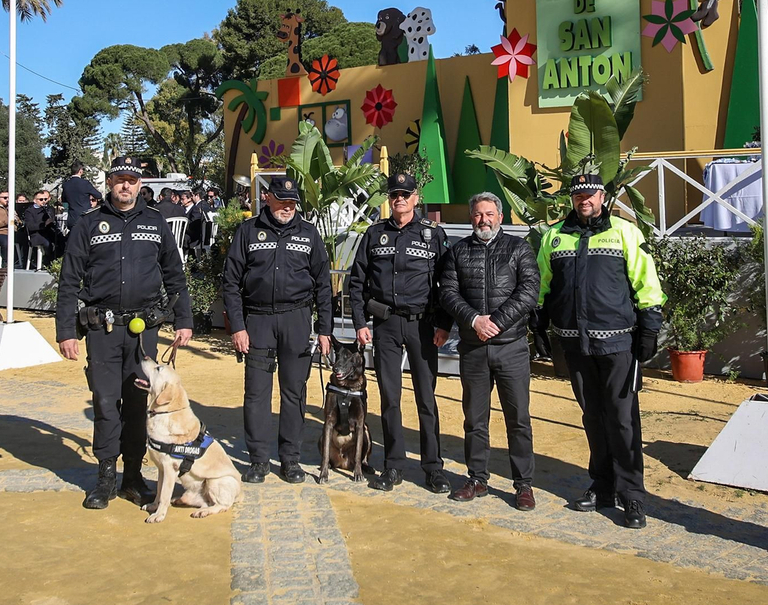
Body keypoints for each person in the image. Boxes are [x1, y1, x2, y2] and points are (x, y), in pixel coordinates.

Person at [56, 155, 194, 509]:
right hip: (102, 329)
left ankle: (132, 476)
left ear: (139, 183)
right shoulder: (89, 224)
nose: (125, 185)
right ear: (109, 182)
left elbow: (174, 275)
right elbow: (69, 279)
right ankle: (105, 476)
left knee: (136, 404)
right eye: (119, 179)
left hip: (142, 330)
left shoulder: (156, 221)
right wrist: (65, 331)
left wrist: (184, 320)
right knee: (104, 402)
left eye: (131, 180)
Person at [536, 173, 664, 529]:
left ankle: (633, 494)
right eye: (578, 195)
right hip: (574, 344)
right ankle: (603, 486)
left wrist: (650, 327)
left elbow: (646, 281)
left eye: (590, 194)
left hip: (618, 343)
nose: (584, 200)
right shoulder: (554, 236)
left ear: (602, 196)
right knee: (593, 416)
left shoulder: (625, 232)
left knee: (622, 420)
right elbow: (543, 284)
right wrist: (538, 324)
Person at [222, 176, 334, 484]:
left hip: (296, 320)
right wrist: (238, 326)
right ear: (268, 198)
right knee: (257, 393)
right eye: (282, 202)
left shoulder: (309, 234)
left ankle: (290, 459)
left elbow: (324, 285)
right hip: (257, 321)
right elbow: (230, 282)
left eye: (292, 203)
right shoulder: (247, 232)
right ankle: (258, 460)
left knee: (294, 392)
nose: (287, 208)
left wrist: (325, 329)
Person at [347, 171, 449, 494]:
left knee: (426, 398)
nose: (399, 199)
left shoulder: (433, 235)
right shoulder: (375, 235)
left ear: (416, 198)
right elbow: (356, 282)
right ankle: (394, 466)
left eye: (405, 194)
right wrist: (360, 322)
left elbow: (448, 284)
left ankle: (433, 467)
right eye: (394, 195)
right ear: (389, 199)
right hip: (385, 325)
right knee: (390, 397)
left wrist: (444, 323)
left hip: (422, 325)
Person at [437, 192, 540, 510]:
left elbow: (529, 290)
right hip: (473, 349)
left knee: (518, 418)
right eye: (478, 214)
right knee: (474, 419)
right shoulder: (458, 252)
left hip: (511, 347)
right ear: (472, 218)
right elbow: (448, 293)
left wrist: (495, 322)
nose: (484, 219)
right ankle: (477, 478)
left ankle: (523, 484)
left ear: (501, 215)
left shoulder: (518, 248)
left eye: (489, 214)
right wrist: (473, 320)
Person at [23, 189, 62, 268]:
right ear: (35, 200)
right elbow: (30, 226)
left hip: (48, 232)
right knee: (47, 243)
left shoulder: (49, 209)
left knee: (62, 241)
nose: (43, 201)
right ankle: (47, 262)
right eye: (41, 199)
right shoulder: (29, 211)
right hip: (36, 235)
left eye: (45, 199)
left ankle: (56, 261)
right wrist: (44, 224)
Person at [61, 163, 102, 234]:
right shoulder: (85, 183)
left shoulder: (66, 184)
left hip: (72, 218)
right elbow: (98, 195)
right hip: (85, 218)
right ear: (80, 171)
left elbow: (64, 200)